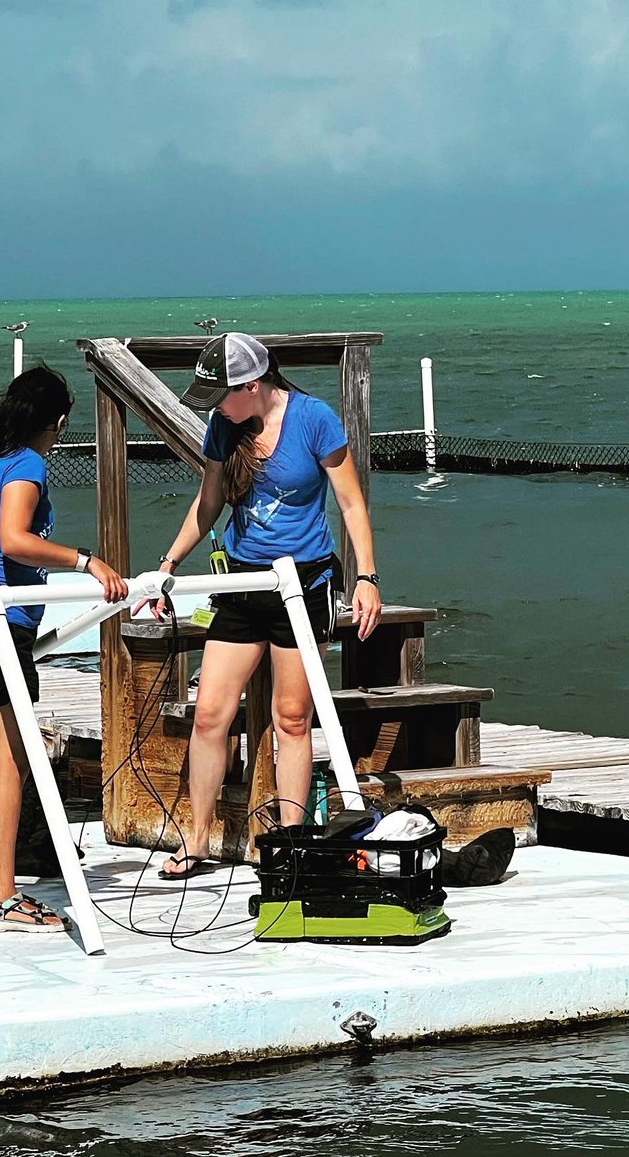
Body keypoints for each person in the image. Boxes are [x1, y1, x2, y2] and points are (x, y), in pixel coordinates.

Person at [141, 332, 382, 879]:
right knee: (210, 713)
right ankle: (197, 841)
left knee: (291, 718)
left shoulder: (314, 419)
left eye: (220, 395)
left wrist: (367, 578)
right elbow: (208, 503)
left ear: (252, 385)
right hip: (243, 582)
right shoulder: (224, 425)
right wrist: (168, 564)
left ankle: (292, 842)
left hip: (304, 584)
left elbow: (350, 503)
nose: (215, 407)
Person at [0, 365, 127, 932]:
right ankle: (3, 897)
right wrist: (85, 560)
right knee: (12, 761)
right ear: (60, 420)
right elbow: (14, 540)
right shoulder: (26, 463)